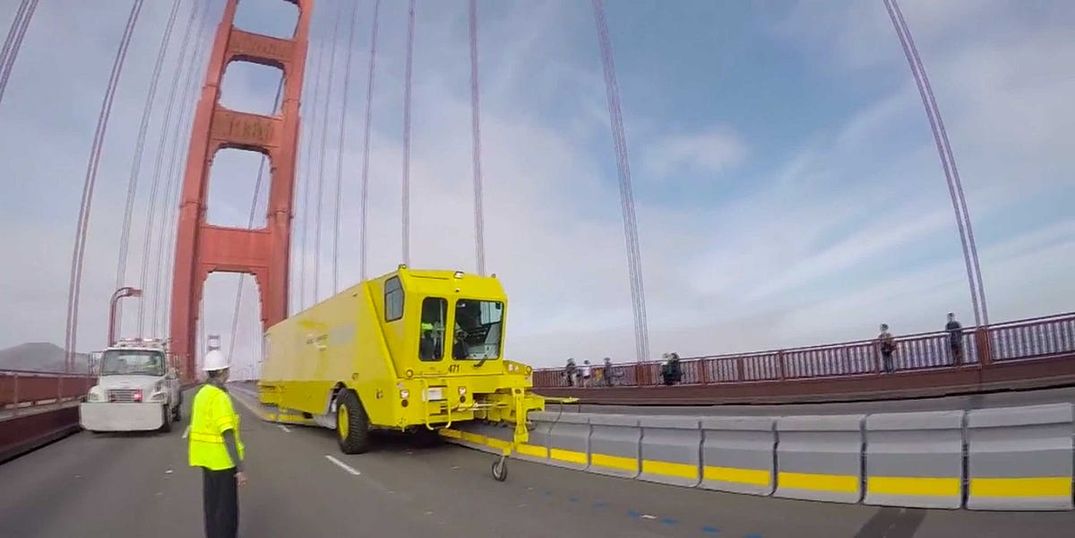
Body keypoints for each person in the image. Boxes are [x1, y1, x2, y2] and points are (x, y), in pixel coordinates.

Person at [189, 349, 246, 538]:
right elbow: (227, 434)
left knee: (211, 508)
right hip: (223, 462)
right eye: (227, 370)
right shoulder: (220, 397)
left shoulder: (201, 395)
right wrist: (240, 468)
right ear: (222, 372)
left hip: (206, 460)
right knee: (226, 512)